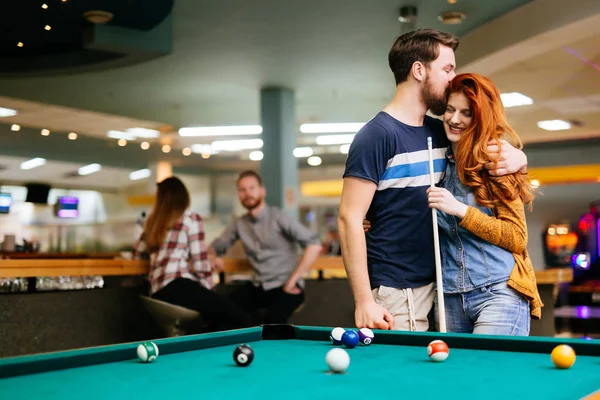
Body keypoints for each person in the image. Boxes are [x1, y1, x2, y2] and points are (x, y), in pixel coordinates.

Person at [338, 28, 529, 332]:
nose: (452, 78)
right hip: (397, 288)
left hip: (441, 287)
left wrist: (520, 158)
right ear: (418, 70)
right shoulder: (376, 136)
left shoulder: (440, 130)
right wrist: (363, 301)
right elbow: (349, 218)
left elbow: (484, 146)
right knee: (402, 376)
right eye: (447, 69)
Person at [426, 72, 542, 335]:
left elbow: (516, 237)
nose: (454, 119)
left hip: (498, 293)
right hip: (449, 298)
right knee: (453, 378)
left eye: (466, 113)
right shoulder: (437, 162)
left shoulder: (497, 161)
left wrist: (460, 209)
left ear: (479, 117)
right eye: (450, 110)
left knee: (490, 375)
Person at [133, 176, 250, 332]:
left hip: (156, 293)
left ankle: (193, 344)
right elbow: (200, 263)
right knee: (238, 318)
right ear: (184, 197)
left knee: (213, 317)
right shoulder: (190, 219)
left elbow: (137, 255)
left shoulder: (152, 224)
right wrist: (211, 289)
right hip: (179, 286)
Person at [208, 170, 322, 324]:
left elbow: (314, 244)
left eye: (252, 188)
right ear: (239, 194)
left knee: (272, 322)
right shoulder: (239, 223)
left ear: (262, 191)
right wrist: (213, 256)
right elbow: (216, 245)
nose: (247, 193)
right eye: (242, 190)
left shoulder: (279, 217)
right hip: (258, 286)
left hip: (285, 286)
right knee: (220, 311)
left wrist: (293, 279)